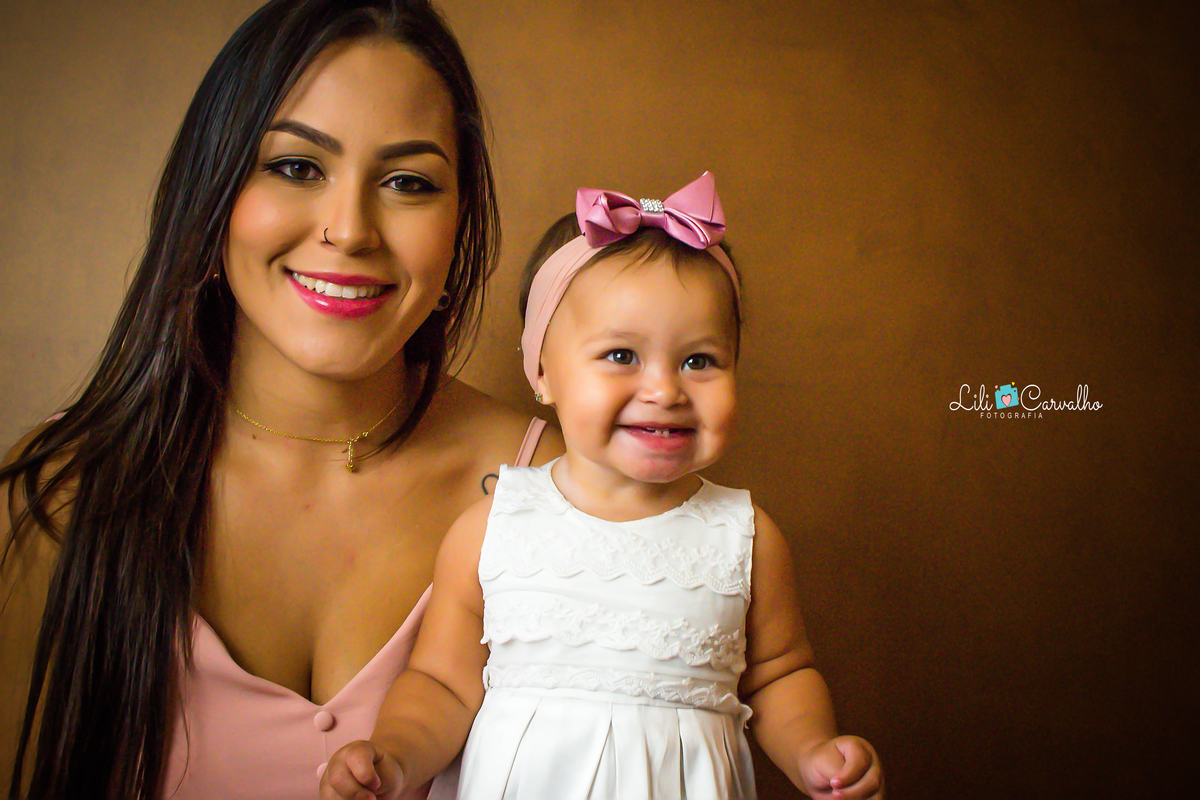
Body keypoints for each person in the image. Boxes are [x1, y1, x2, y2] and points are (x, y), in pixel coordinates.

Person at [0, 1, 563, 798]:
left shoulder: (557, 491)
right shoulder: (63, 491)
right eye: (297, 167)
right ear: (213, 191)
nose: (349, 229)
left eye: (407, 182)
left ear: (458, 222)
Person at [319, 173, 883, 800]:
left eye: (699, 360)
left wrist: (813, 752)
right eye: (621, 356)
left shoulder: (745, 538)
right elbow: (443, 685)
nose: (665, 390)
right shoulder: (493, 528)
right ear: (543, 372)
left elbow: (779, 674)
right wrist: (396, 759)